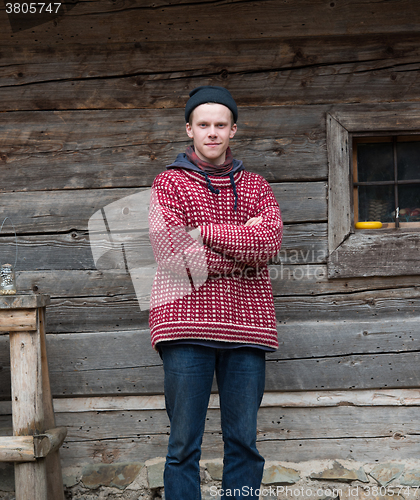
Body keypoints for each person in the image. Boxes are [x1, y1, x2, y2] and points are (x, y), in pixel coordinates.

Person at [148, 86, 283, 499]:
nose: (212, 132)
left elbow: (269, 244)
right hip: (184, 325)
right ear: (189, 129)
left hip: (248, 327)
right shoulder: (168, 184)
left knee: (243, 442)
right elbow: (173, 254)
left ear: (233, 130)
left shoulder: (257, 186)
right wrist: (243, 251)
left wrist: (204, 232)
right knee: (183, 445)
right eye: (203, 124)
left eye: (220, 125)